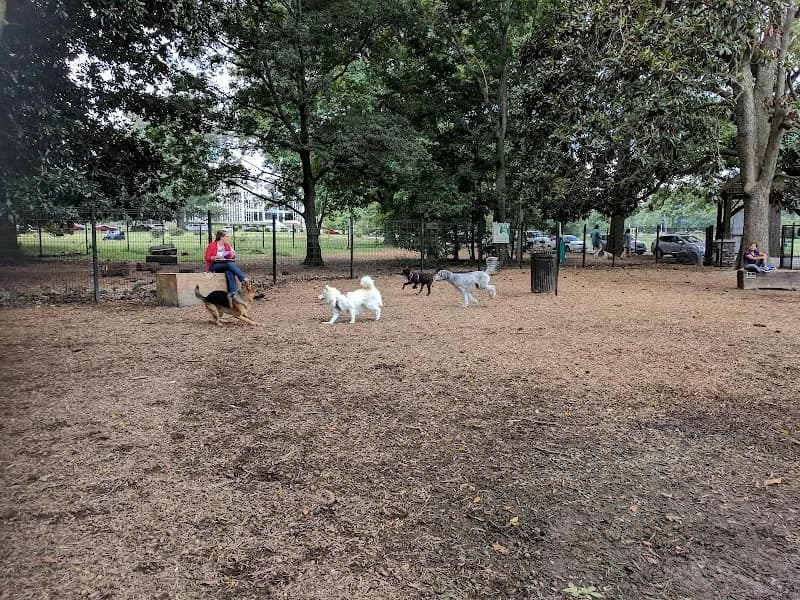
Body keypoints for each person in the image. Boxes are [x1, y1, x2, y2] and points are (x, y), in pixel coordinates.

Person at [204, 230, 249, 301]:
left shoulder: (227, 245)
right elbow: (207, 257)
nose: (228, 238)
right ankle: (243, 278)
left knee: (229, 272)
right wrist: (215, 257)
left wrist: (233, 256)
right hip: (214, 265)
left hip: (224, 264)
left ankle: (233, 294)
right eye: (227, 236)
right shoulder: (212, 245)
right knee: (229, 264)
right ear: (221, 237)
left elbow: (230, 256)